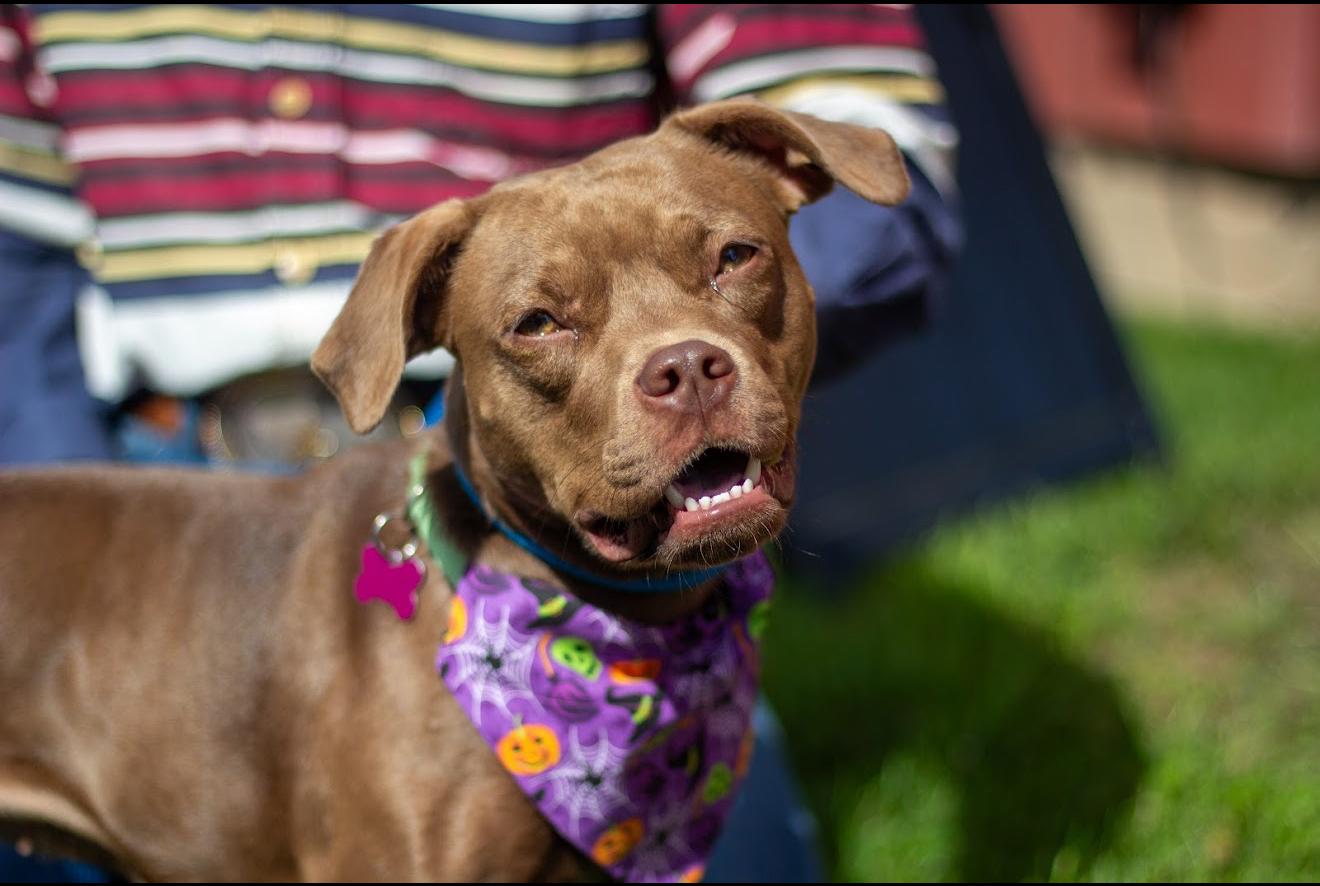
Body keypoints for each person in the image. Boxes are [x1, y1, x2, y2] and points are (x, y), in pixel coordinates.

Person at [0, 4, 961, 879]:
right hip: (132, 460)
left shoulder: (724, 196)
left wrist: (746, 379)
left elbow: (875, 135)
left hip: (500, 469)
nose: (680, 358)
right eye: (543, 321)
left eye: (731, 260)